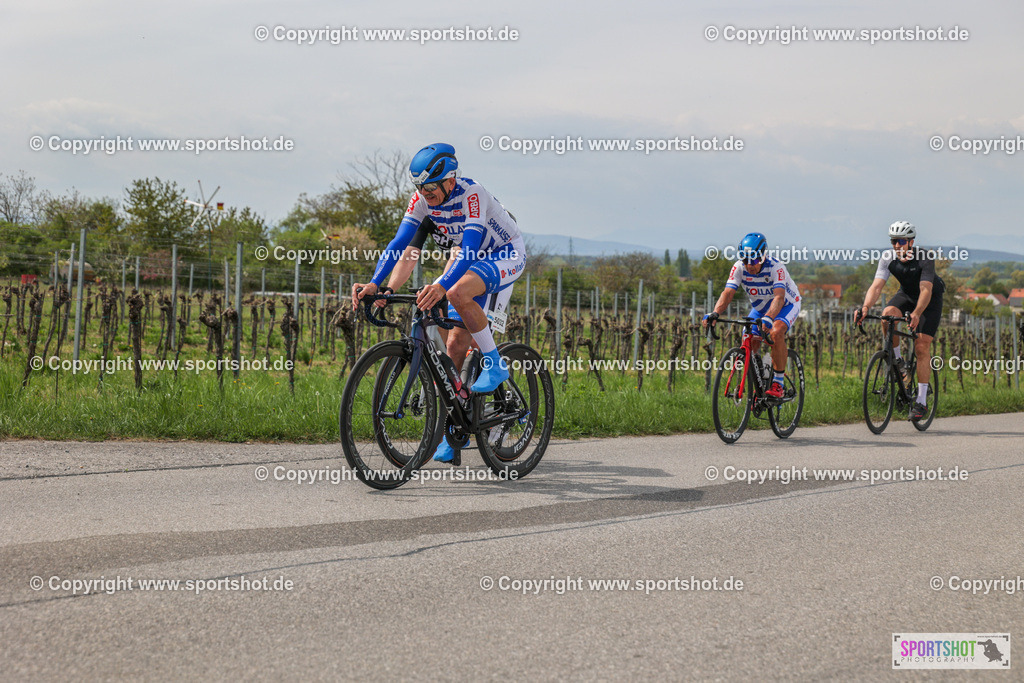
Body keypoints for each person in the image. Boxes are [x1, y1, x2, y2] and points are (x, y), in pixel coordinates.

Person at [352, 143, 526, 461]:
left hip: (503, 254)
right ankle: (454, 427)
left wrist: (443, 287)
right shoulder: (423, 203)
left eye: (430, 186)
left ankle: (497, 368)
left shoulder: (472, 193)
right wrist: (379, 284)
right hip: (465, 259)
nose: (424, 192)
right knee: (454, 346)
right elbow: (401, 247)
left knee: (457, 295)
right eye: (419, 186)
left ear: (450, 180)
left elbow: (471, 249)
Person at [854, 221, 944, 421]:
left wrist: (917, 312)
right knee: (887, 314)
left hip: (929, 301)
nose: (896, 245)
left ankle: (921, 401)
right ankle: (898, 361)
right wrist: (865, 307)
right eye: (894, 241)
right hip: (906, 295)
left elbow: (926, 290)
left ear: (911, 242)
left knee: (921, 347)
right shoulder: (887, 258)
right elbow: (877, 287)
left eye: (901, 241)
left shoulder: (925, 258)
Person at [701, 232, 801, 399]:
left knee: (776, 333)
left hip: (786, 304)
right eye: (745, 260)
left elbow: (779, 297)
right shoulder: (739, 267)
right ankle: (761, 379)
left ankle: (778, 383)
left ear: (762, 256)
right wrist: (715, 312)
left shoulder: (776, 267)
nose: (749, 265)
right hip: (761, 308)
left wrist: (769, 318)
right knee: (749, 339)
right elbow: (727, 293)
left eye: (754, 260)